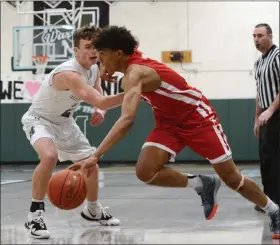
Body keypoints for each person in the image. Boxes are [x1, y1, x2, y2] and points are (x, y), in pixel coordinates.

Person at [69, 25, 280, 239]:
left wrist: (95, 156)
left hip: (198, 118)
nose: (99, 61)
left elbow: (126, 120)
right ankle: (201, 184)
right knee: (145, 170)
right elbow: (131, 42)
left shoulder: (135, 73)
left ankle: (274, 210)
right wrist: (110, 65)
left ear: (119, 53)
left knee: (232, 178)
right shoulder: (130, 58)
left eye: (102, 56)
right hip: (168, 123)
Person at [21, 25, 122, 239]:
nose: (93, 51)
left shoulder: (93, 68)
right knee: (49, 156)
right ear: (76, 51)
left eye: (96, 47)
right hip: (40, 120)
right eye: (87, 47)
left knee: (91, 163)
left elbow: (98, 92)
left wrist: (100, 110)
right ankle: (34, 215)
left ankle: (93, 210)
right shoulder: (69, 73)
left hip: (66, 123)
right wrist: (133, 92)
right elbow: (100, 99)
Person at [252, 23, 280, 213]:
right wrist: (257, 118)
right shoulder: (258, 62)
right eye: (254, 36)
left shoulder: (278, 57)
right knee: (265, 158)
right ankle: (268, 200)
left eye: (260, 35)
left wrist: (270, 110)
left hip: (276, 113)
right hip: (265, 117)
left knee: (275, 158)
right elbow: (259, 92)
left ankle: (276, 201)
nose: (256, 39)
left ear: (270, 36)